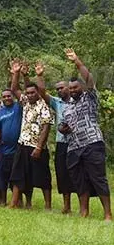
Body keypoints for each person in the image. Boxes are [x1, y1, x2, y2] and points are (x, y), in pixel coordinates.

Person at [61, 49, 112, 221]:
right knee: (79, 181)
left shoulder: (90, 97)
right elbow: (64, 124)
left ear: (81, 88)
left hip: (92, 143)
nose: (73, 90)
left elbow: (90, 79)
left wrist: (77, 61)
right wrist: (63, 128)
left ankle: (107, 214)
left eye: (76, 87)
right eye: (71, 88)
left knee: (98, 178)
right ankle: (84, 212)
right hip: (74, 147)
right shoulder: (67, 106)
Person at [9, 60, 53, 210]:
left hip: (37, 146)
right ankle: (14, 203)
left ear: (37, 93)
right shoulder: (26, 103)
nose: (29, 95)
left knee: (43, 177)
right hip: (23, 144)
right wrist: (16, 73)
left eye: (32, 92)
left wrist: (39, 147)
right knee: (18, 174)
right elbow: (14, 89)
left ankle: (48, 206)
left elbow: (46, 126)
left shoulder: (44, 105)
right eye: (27, 93)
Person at [35, 62, 76, 214]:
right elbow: (42, 92)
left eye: (62, 88)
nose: (59, 91)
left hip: (77, 142)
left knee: (77, 173)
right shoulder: (56, 103)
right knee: (62, 173)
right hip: (61, 143)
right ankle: (67, 206)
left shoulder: (78, 101)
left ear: (69, 88)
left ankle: (84, 206)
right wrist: (39, 76)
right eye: (57, 89)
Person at [0, 89, 22, 206]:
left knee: (17, 174)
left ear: (12, 96)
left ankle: (19, 201)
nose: (7, 98)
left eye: (9, 96)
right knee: (1, 173)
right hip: (3, 149)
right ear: (1, 98)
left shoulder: (19, 107)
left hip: (18, 148)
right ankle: (3, 200)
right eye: (4, 96)